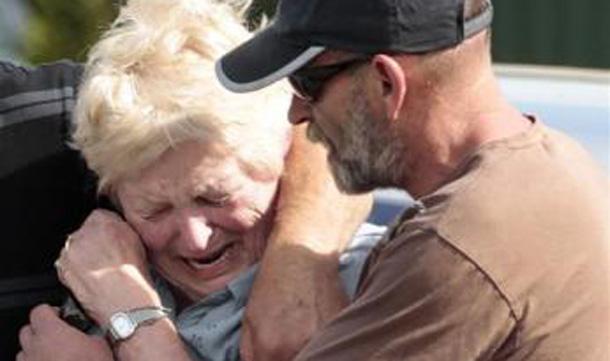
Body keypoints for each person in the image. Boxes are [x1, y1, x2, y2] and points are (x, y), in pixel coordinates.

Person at [215, 0, 610, 360]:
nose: (296, 115)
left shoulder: (456, 245)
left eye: (307, 85)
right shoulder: (563, 163)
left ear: (386, 82)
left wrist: (150, 316)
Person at [14, 0, 383, 361]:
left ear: (285, 154)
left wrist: (134, 323)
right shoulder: (94, 280)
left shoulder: (372, 282)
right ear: (112, 197)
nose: (195, 237)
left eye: (216, 198)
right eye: (154, 210)